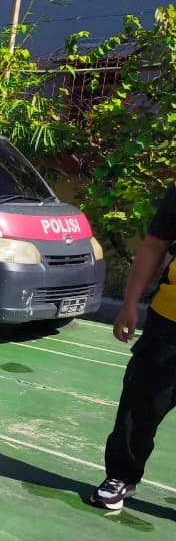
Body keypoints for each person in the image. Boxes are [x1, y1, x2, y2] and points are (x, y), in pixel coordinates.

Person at [91, 185, 176, 510]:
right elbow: (154, 246)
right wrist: (129, 304)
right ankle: (122, 477)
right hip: (169, 320)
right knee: (141, 405)